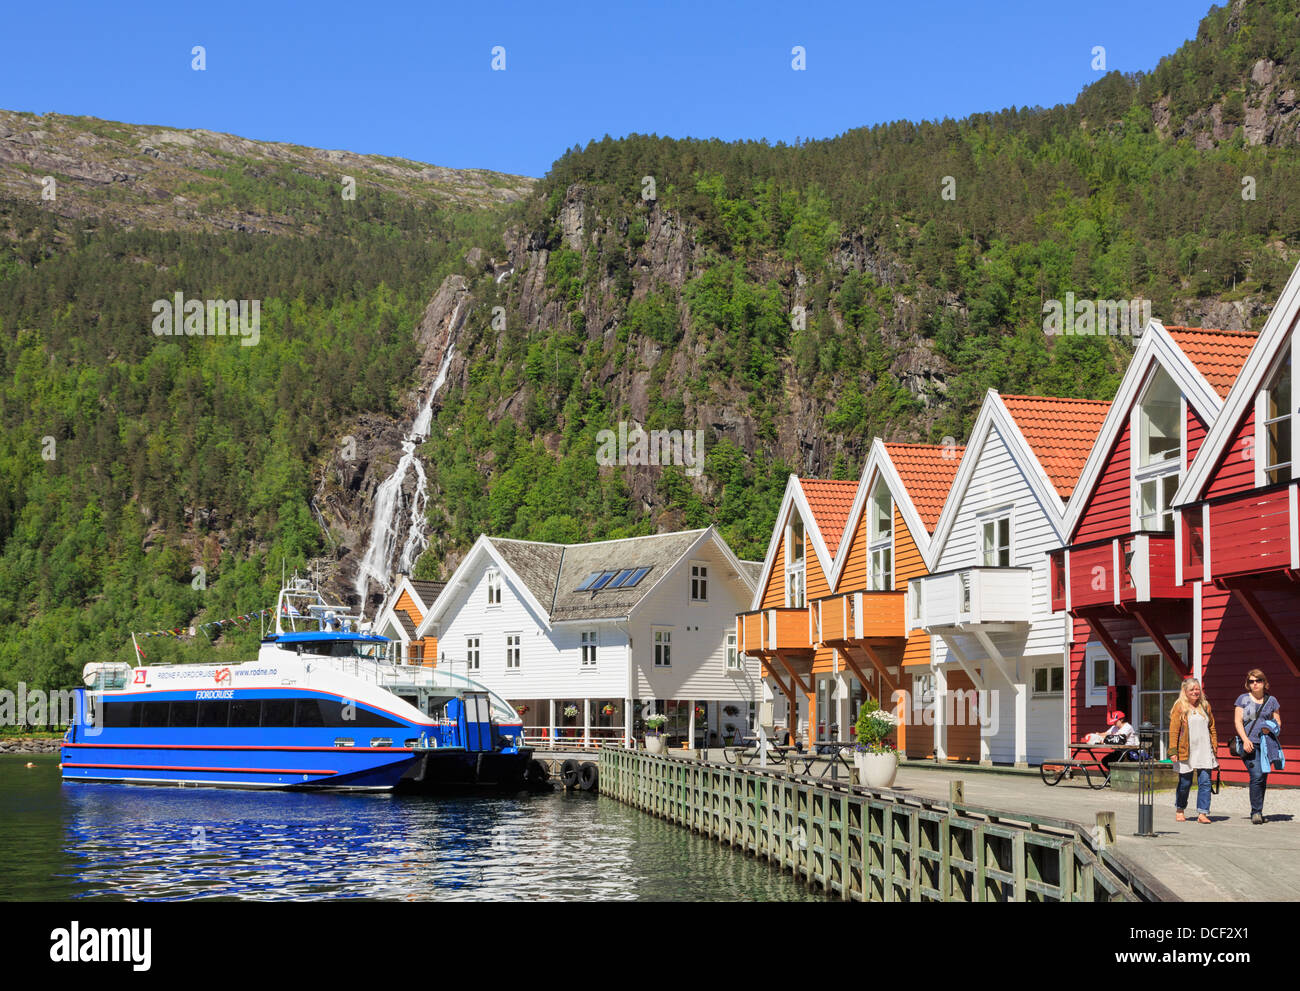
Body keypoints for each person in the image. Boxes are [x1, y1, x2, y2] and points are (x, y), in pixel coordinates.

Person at [1235, 669, 1282, 824]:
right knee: (1256, 775)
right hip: (1249, 744)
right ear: (1248, 684)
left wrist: (1271, 727)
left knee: (1263, 777)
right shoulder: (1243, 699)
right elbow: (1238, 721)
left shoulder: (1271, 701)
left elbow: (1278, 722)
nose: (1255, 684)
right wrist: (1245, 739)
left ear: (1264, 682)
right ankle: (1256, 812)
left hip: (1266, 744)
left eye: (1258, 681)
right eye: (1251, 681)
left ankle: (1259, 811)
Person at [1168, 679, 1217, 823]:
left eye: (1197, 689)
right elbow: (1174, 731)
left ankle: (1202, 813)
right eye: (1192, 690)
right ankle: (1180, 809)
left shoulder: (1205, 705)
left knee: (1205, 782)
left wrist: (1214, 745)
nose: (1196, 692)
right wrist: (1173, 751)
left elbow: (1212, 727)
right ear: (1185, 692)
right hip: (1186, 750)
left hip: (1204, 749)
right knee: (1185, 783)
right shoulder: (1180, 707)